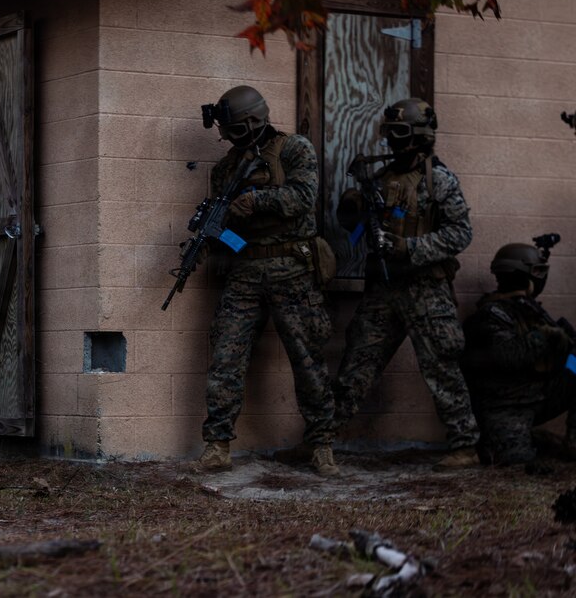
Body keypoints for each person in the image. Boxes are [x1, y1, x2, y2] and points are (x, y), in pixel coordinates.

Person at [190, 85, 339, 477]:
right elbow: (233, 234)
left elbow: (304, 197)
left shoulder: (294, 150)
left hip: (293, 270)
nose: (228, 135)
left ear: (254, 120)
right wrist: (217, 240)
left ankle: (322, 445)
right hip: (245, 275)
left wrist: (257, 201)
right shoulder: (225, 169)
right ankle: (217, 444)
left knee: (307, 361)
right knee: (225, 357)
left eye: (234, 127)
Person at [332, 98, 480, 469]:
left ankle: (464, 446)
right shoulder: (380, 178)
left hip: (426, 290)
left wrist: (409, 247)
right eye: (390, 134)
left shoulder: (439, 179)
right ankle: (321, 439)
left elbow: (461, 233)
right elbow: (360, 229)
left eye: (400, 134)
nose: (393, 142)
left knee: (441, 365)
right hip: (383, 289)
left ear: (419, 136)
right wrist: (355, 211)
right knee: (356, 363)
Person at [462, 239, 575, 465]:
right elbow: (508, 356)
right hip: (506, 405)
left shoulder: (527, 308)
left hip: (539, 394)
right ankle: (526, 440)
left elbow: (561, 354)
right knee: (516, 459)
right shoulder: (491, 314)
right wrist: (545, 336)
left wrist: (568, 346)